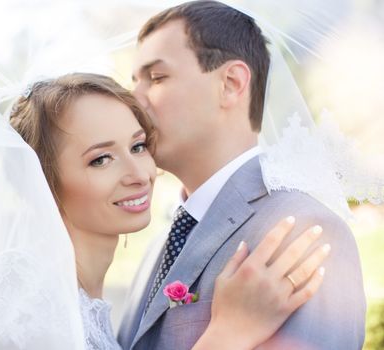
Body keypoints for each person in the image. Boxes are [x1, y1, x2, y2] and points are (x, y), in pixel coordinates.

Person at [9, 73, 329, 349]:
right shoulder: (30, 303)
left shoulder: (79, 291)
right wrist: (228, 334)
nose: (139, 174)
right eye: (101, 159)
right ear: (42, 181)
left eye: (138, 146)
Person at [119, 1, 366, 349]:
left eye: (157, 77)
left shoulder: (302, 232)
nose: (133, 100)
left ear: (231, 83)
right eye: (135, 81)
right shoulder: (160, 241)